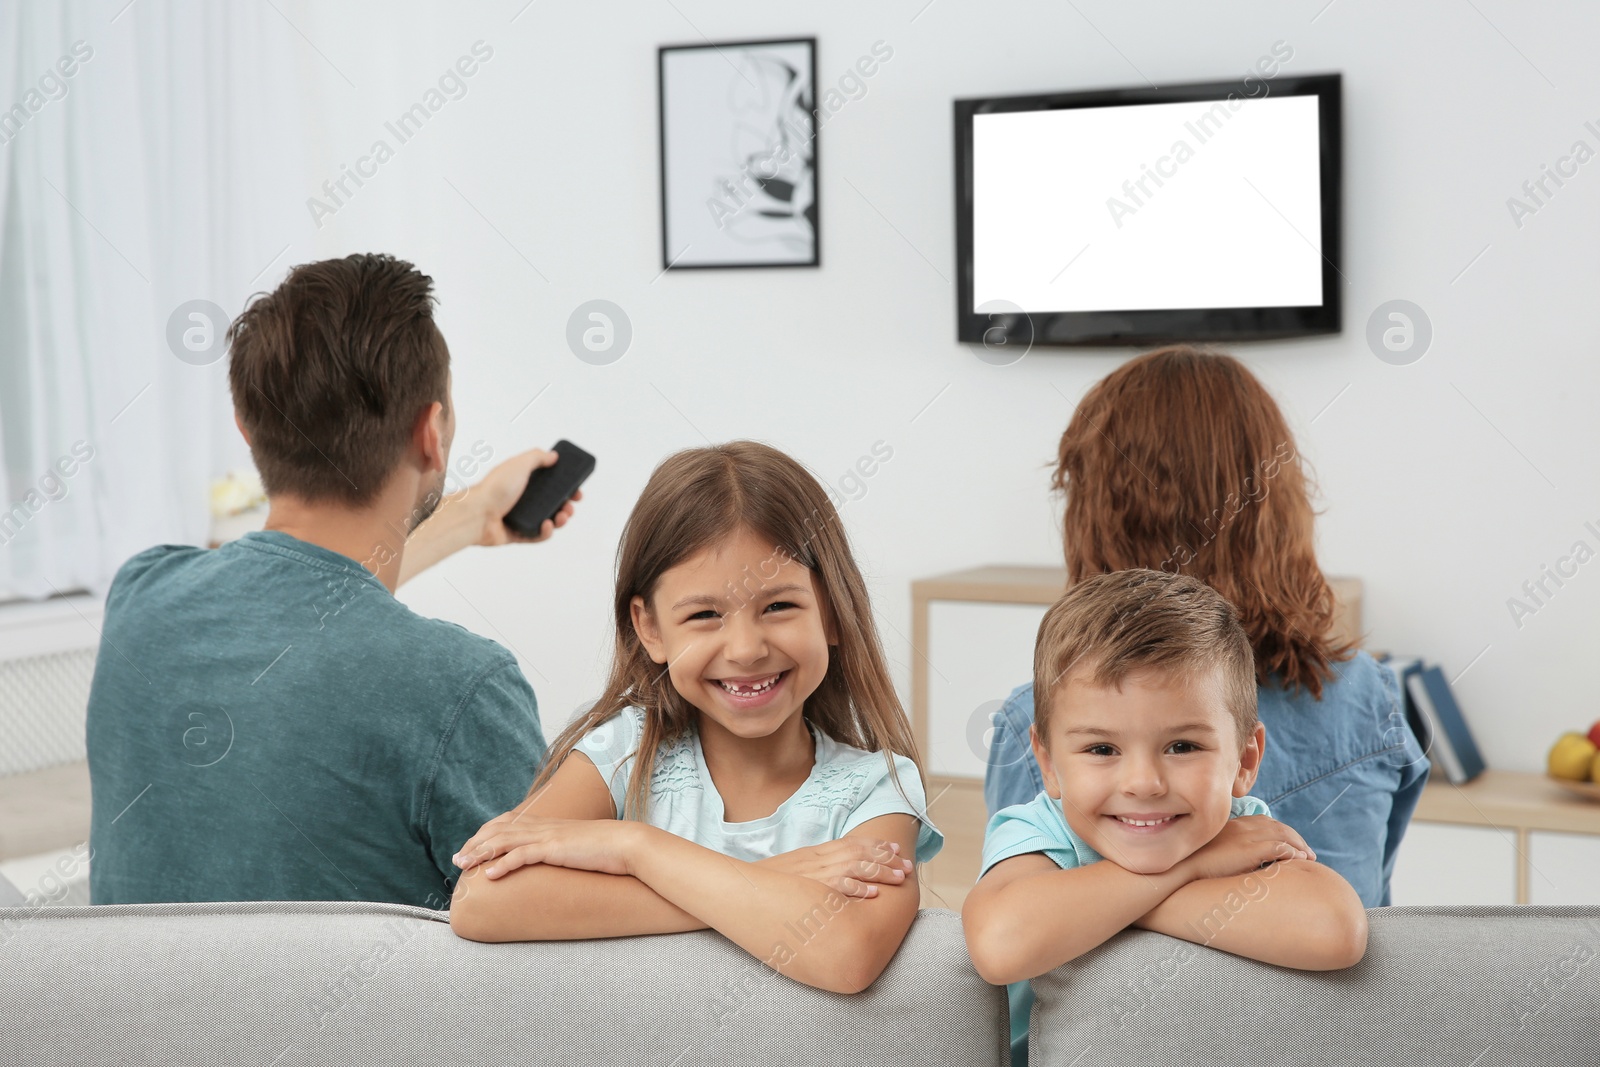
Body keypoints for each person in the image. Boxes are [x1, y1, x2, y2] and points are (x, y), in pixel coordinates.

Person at [87, 253, 577, 909]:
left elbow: (306, 608)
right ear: (431, 433)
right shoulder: (463, 687)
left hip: (123, 1012)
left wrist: (472, 514)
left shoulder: (141, 598)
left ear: (245, 424)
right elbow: (557, 943)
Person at [449, 441, 941, 995]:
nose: (746, 648)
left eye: (778, 606)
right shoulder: (624, 754)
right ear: (651, 628)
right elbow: (480, 901)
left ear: (832, 608)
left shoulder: (878, 789)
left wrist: (634, 850)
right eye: (705, 615)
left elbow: (845, 954)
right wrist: (774, 879)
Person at [985, 346, 1428, 911]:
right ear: (1279, 504)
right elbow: (1377, 910)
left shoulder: (1039, 716)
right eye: (1103, 749)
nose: (1144, 782)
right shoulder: (1367, 693)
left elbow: (1023, 943)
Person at [965, 570, 1368, 1061]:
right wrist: (1189, 870)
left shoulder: (1242, 826)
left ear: (1244, 763)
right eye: (1101, 748)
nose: (1144, 783)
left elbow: (1334, 930)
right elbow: (1001, 944)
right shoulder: (1038, 831)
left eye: (1182, 746)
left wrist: (1111, 907)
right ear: (1048, 764)